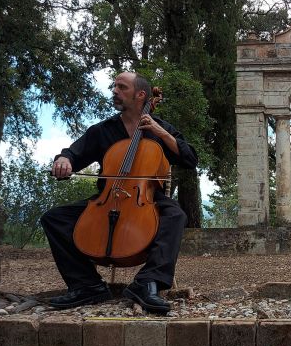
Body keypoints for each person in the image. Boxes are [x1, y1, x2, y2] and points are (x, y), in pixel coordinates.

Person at [40, 72, 197, 313]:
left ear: (140, 95)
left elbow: (189, 158)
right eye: (114, 86)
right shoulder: (102, 130)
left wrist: (161, 133)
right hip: (106, 199)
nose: (115, 91)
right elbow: (74, 153)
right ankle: (87, 285)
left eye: (121, 87)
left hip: (148, 199)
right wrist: (64, 159)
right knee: (54, 218)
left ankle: (147, 283)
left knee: (175, 216)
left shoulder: (161, 128)